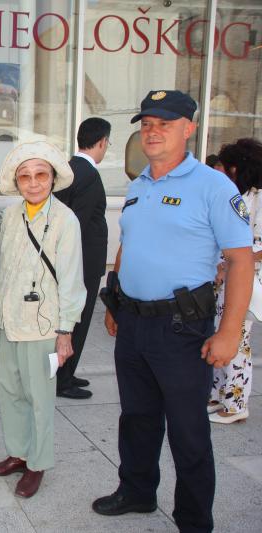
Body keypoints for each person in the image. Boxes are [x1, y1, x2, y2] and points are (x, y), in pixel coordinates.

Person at [92, 90, 253, 532]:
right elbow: (128, 244)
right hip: (134, 325)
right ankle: (138, 491)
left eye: (164, 123)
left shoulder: (213, 187)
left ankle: (194, 520)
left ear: (188, 129)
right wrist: (115, 300)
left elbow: (240, 259)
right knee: (136, 419)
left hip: (182, 329)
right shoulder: (140, 184)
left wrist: (228, 332)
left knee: (188, 433)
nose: (153, 132)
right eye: (146, 124)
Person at [0, 141, 85, 498]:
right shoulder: (11, 215)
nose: (33, 183)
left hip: (44, 327)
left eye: (40, 175)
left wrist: (65, 332)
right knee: (10, 392)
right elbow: (2, 268)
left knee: (40, 397)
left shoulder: (65, 220)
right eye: (25, 176)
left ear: (52, 178)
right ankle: (18, 452)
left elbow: (73, 279)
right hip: (9, 321)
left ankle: (37, 463)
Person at [53, 118, 111, 400]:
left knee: (71, 318)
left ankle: (67, 370)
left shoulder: (69, 169)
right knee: (78, 319)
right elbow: (78, 221)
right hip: (82, 262)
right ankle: (62, 379)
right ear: (102, 142)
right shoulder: (88, 174)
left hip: (75, 261)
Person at [208, 138, 262, 424]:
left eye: (229, 169)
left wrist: (235, 262)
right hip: (228, 277)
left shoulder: (260, 197)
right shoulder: (243, 196)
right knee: (222, 333)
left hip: (246, 280)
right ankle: (219, 394)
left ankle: (236, 403)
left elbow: (257, 246)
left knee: (238, 340)